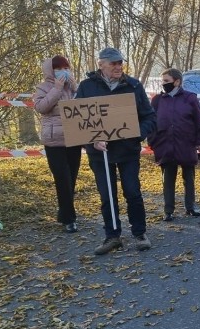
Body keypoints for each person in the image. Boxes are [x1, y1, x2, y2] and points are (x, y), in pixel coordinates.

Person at [76, 47, 157, 255]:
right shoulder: (86, 87)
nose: (118, 66)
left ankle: (139, 233)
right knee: (107, 195)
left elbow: (149, 117)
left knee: (132, 192)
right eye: (113, 63)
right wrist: (92, 140)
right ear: (101, 64)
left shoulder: (133, 86)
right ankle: (112, 236)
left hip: (128, 151)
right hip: (100, 154)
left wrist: (136, 133)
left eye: (120, 62)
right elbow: (78, 122)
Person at [148, 68, 200, 222]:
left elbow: (199, 121)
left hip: (186, 144)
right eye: (162, 81)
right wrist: (153, 142)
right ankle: (168, 210)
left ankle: (191, 206)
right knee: (168, 179)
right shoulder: (157, 100)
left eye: (166, 81)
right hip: (165, 145)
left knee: (189, 177)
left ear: (177, 81)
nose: (163, 84)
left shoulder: (190, 98)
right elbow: (151, 123)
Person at [33, 55, 82, 233]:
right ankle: (70, 219)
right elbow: (41, 107)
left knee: (72, 178)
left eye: (65, 68)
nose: (63, 71)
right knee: (62, 179)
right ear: (50, 71)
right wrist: (56, 89)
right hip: (54, 141)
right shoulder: (43, 87)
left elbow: (81, 105)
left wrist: (74, 86)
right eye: (59, 68)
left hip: (74, 138)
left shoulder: (72, 86)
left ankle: (64, 212)